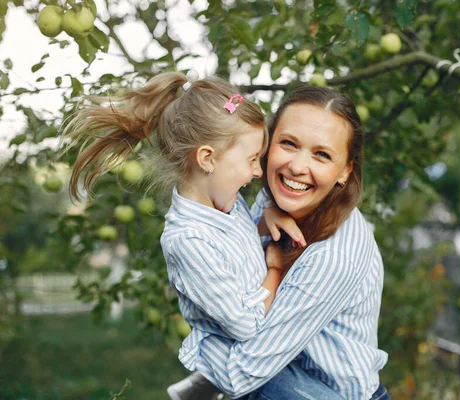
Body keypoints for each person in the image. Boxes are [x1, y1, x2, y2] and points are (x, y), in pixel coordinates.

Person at [62, 72, 346, 399]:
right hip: (241, 360)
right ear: (207, 159)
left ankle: (196, 388)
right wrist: (276, 268)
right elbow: (246, 325)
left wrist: (263, 220)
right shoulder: (188, 241)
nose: (258, 171)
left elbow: (235, 250)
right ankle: (204, 384)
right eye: (252, 159)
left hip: (264, 343)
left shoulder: (224, 199)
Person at [170, 85, 389, 400]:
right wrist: (257, 225)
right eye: (288, 143)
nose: (297, 167)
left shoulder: (334, 256)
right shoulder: (273, 199)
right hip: (279, 376)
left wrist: (201, 328)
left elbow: (239, 374)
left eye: (322, 154)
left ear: (345, 171)